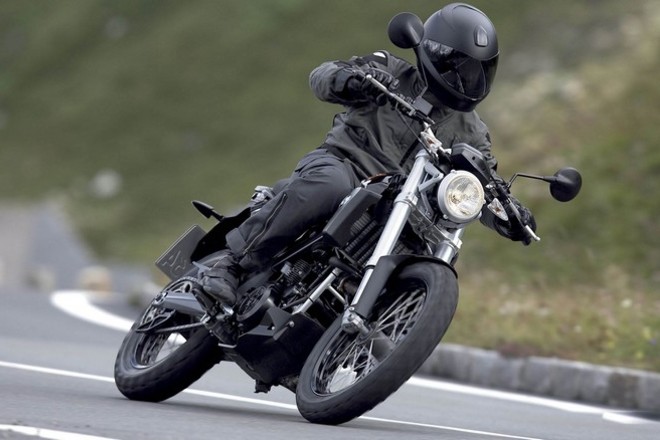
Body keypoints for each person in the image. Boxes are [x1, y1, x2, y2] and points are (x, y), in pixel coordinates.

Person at [202, 2, 535, 306]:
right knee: (329, 185)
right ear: (436, 55)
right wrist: (354, 80)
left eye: (477, 72)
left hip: (401, 209)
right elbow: (322, 76)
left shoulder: (474, 133)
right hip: (345, 165)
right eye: (459, 69)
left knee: (431, 251)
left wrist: (509, 214)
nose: (467, 80)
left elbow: (481, 183)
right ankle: (232, 264)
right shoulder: (390, 69)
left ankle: (379, 331)